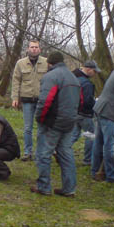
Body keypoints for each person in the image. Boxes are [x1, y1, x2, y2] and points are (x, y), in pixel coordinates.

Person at [30, 51, 80, 197]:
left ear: (49, 63)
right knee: (66, 154)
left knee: (43, 154)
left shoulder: (51, 77)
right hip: (70, 121)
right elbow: (80, 101)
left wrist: (39, 118)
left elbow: (45, 101)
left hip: (53, 122)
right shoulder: (74, 78)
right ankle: (69, 188)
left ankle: (44, 186)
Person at [11, 40, 49, 161]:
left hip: (42, 100)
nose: (34, 49)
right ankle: (28, 152)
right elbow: (16, 81)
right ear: (28, 49)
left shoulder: (46, 63)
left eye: (36, 47)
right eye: (32, 47)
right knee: (28, 128)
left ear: (39, 49)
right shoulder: (20, 63)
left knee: (41, 127)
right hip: (27, 100)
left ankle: (40, 152)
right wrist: (15, 98)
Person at [70, 60, 101, 165]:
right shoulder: (86, 83)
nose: (95, 73)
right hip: (84, 114)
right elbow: (88, 101)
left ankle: (60, 150)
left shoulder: (72, 77)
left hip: (73, 111)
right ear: (88, 69)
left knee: (74, 134)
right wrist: (96, 103)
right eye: (94, 71)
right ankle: (88, 159)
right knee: (91, 134)